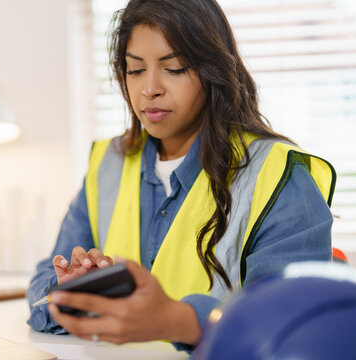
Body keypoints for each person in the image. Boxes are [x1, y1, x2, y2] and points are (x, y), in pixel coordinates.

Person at [27, 0, 336, 352]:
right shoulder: (107, 163)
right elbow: (43, 284)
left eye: (173, 68)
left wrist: (178, 320)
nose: (150, 89)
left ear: (213, 69)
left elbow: (291, 323)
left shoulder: (280, 175)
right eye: (135, 70)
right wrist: (72, 293)